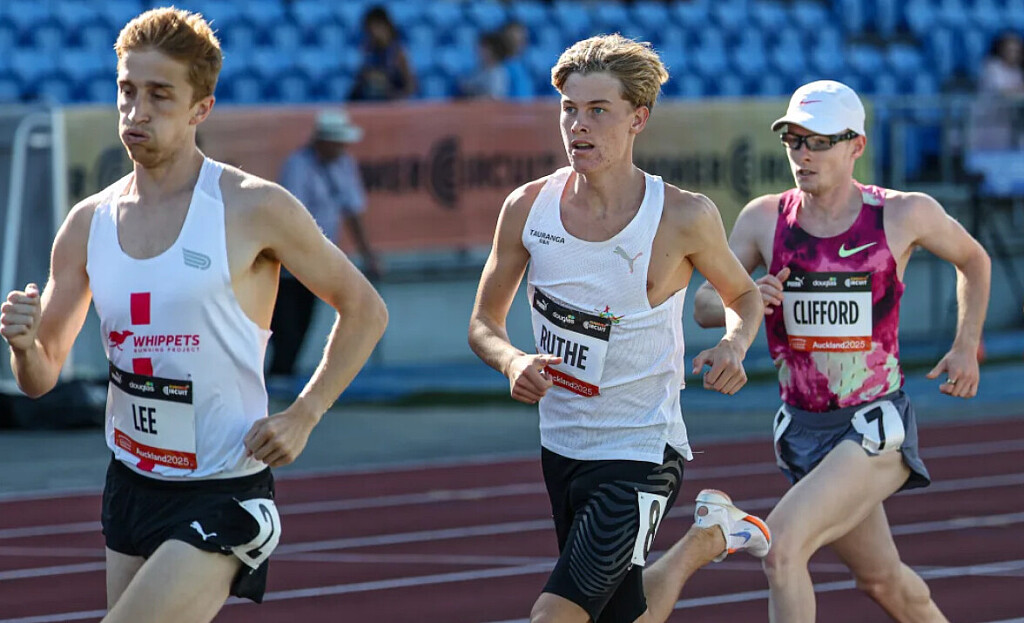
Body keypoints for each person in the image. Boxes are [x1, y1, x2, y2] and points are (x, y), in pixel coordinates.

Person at [0, 8, 387, 623]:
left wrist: (304, 413)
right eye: (127, 90)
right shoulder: (87, 224)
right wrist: (24, 346)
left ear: (200, 108)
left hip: (224, 488)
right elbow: (41, 377)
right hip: (131, 481)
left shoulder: (252, 207)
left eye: (159, 95)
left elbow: (365, 308)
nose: (137, 111)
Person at [468, 34, 771, 623]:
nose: (578, 126)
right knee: (618, 616)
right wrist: (511, 360)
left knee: (555, 616)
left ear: (639, 118)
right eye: (569, 109)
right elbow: (483, 323)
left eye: (598, 110)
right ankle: (707, 539)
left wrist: (734, 344)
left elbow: (742, 295)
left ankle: (703, 538)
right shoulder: (527, 207)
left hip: (642, 450)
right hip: (561, 446)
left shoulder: (682, 216)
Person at [693, 80, 991, 622]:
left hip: (874, 425)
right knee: (884, 581)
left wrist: (966, 345)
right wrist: (748, 297)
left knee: (781, 549)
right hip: (802, 430)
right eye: (793, 140)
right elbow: (706, 303)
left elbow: (973, 259)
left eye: (819, 142)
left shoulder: (902, 213)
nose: (802, 154)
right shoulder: (764, 218)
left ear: (857, 145)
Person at [270, 109, 380, 378]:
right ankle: (278, 373)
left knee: (305, 318)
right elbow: (294, 214)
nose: (342, 148)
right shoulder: (298, 165)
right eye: (338, 142)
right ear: (323, 141)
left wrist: (367, 254)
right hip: (291, 259)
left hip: (319, 259)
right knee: (285, 322)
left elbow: (353, 211)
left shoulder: (344, 165)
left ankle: (285, 373)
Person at [349, 5, 417, 101]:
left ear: (387, 26)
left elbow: (411, 86)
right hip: (371, 103)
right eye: (370, 29)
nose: (374, 32)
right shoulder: (367, 51)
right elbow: (359, 84)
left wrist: (396, 97)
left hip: (393, 104)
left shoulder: (399, 52)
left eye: (378, 27)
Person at [458, 31, 511, 100]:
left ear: (492, 51)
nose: (478, 51)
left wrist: (474, 100)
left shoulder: (498, 73)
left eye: (483, 48)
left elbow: (494, 98)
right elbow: (467, 86)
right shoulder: (479, 70)